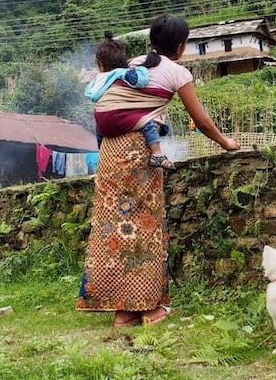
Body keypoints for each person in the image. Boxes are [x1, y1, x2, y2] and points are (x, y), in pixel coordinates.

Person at [77, 17, 240, 328]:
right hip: (139, 150)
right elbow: (202, 121)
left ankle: (123, 312)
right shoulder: (177, 72)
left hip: (109, 153)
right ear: (180, 48)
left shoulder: (131, 63)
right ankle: (150, 309)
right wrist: (225, 142)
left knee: (113, 229)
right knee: (145, 229)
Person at [83, 32, 176, 170]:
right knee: (146, 121)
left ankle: (102, 151)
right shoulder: (121, 73)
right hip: (118, 117)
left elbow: (90, 95)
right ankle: (157, 154)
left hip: (103, 121)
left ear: (100, 64)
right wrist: (140, 69)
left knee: (98, 127)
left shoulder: (97, 80)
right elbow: (140, 81)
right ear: (124, 61)